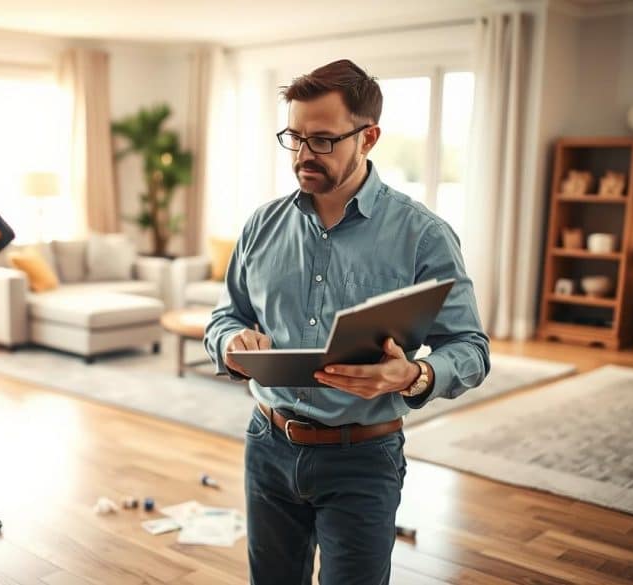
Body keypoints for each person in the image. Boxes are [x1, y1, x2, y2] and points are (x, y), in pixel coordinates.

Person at [204, 59, 490, 585]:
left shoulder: (422, 235)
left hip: (363, 458)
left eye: (323, 140)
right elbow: (227, 315)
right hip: (267, 446)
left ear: (369, 137)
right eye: (294, 137)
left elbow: (471, 348)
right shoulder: (261, 226)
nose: (304, 154)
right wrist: (229, 341)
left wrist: (415, 376)